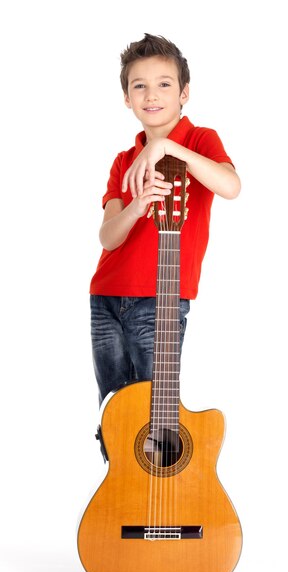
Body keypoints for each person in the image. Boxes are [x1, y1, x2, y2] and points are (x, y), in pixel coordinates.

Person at [90, 33, 241, 406]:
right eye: (139, 86)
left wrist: (167, 146)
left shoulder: (200, 140)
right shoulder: (124, 161)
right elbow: (108, 238)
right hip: (105, 296)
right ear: (127, 98)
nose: (151, 95)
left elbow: (231, 186)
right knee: (113, 418)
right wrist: (136, 207)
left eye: (164, 84)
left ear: (184, 93)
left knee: (157, 416)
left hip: (161, 299)